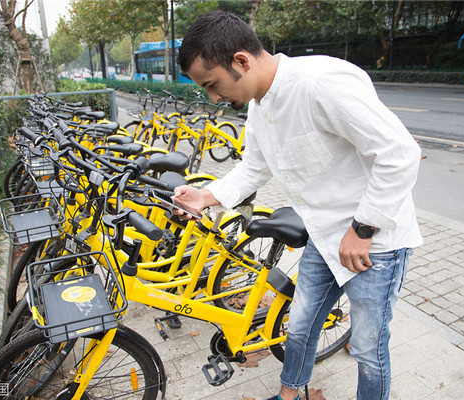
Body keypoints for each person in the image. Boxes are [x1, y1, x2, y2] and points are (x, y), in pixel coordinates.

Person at [174, 10, 423, 400]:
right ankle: (290, 396)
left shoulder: (320, 83)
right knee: (301, 324)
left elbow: (399, 153)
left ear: (241, 61)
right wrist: (205, 196)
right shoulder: (259, 104)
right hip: (324, 239)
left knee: (369, 348)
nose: (214, 98)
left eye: (212, 84)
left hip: (375, 244)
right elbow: (253, 169)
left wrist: (363, 229)